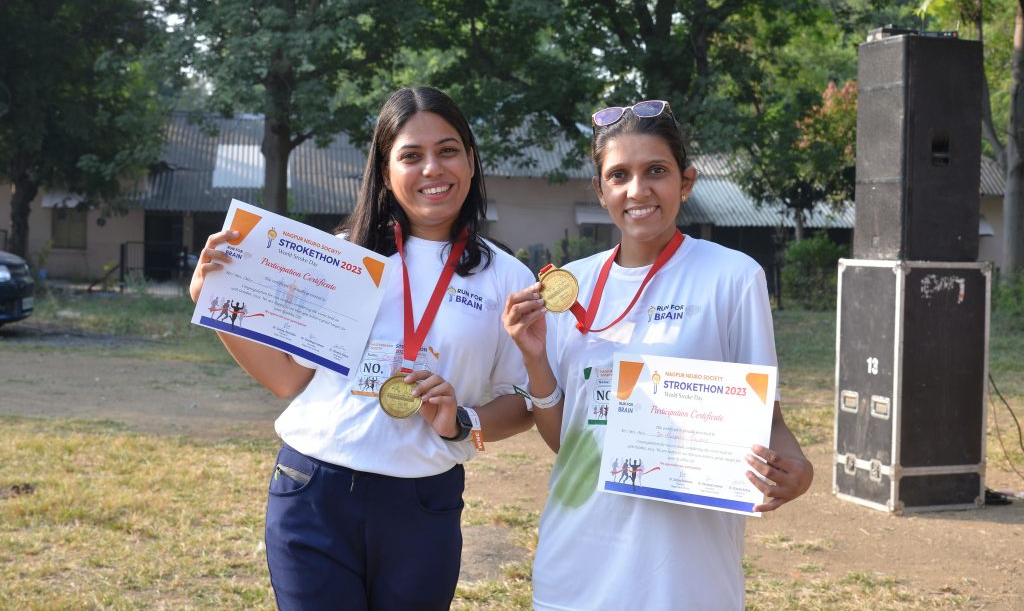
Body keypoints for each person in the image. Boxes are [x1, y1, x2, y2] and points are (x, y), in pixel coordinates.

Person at [190, 86, 534, 611]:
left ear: (470, 160)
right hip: (313, 489)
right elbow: (287, 379)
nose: (432, 169)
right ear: (386, 170)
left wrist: (462, 421)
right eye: (411, 156)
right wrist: (216, 303)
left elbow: (524, 401)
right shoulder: (342, 257)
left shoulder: (505, 277)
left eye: (447, 151)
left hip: (422, 501)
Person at [502, 99, 813, 611]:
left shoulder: (732, 277)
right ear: (600, 191)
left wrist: (797, 467)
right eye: (619, 175)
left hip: (685, 575)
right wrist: (534, 359)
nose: (637, 190)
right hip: (576, 564)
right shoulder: (569, 285)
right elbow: (566, 442)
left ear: (685, 182)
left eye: (656, 171)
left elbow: (767, 420)